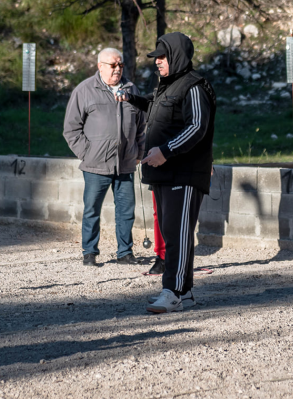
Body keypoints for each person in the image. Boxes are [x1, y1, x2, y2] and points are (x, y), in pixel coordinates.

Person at [119, 32, 217, 314]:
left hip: (184, 174)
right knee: (173, 234)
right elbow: (155, 105)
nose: (157, 63)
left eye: (162, 57)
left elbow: (197, 126)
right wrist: (132, 100)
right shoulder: (167, 86)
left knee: (178, 235)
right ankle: (184, 293)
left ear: (176, 57)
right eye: (156, 58)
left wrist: (166, 150)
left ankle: (171, 291)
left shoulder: (195, 87)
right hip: (163, 174)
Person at [63, 48, 146, 267]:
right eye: (113, 65)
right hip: (95, 165)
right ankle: (89, 252)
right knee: (92, 210)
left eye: (120, 65)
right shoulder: (84, 90)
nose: (117, 69)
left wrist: (139, 152)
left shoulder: (131, 89)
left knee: (126, 211)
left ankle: (125, 253)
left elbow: (141, 126)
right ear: (100, 66)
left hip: (126, 163)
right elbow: (71, 129)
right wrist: (87, 153)